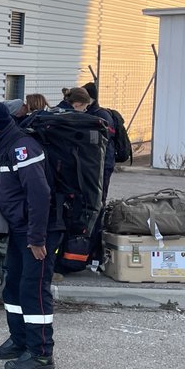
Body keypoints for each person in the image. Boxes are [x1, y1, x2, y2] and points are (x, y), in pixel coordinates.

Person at [0, 102, 58, 369]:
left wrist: (36, 238)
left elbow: (39, 194)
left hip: (38, 233)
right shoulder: (5, 146)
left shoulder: (23, 148)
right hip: (20, 230)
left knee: (33, 290)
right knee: (14, 289)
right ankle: (19, 341)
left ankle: (41, 354)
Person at [78, 83, 117, 264]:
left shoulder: (101, 115)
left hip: (102, 166)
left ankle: (96, 253)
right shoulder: (89, 113)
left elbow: (103, 140)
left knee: (98, 206)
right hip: (94, 165)